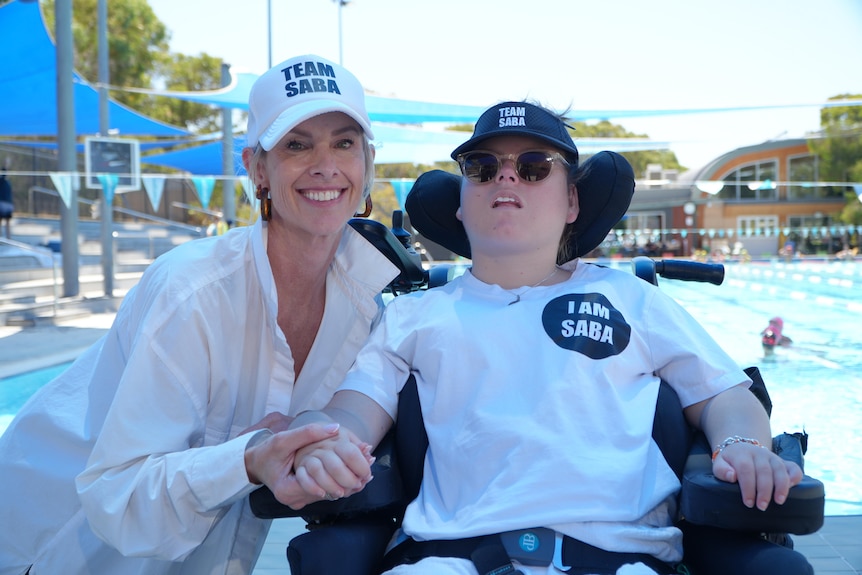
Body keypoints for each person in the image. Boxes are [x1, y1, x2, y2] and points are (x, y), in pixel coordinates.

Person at [284, 102, 807, 575]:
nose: (505, 175)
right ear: (462, 203)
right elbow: (354, 413)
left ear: (572, 201)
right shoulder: (414, 317)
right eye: (482, 168)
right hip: (448, 559)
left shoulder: (634, 301)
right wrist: (317, 438)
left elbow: (725, 394)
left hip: (618, 559)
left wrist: (743, 446)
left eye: (533, 167)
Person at [0, 54, 397, 575]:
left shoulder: (365, 303)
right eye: (297, 145)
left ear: (367, 162)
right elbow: (115, 493)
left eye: (344, 142)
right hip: (53, 547)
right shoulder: (192, 291)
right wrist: (250, 457)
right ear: (258, 169)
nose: (326, 164)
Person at [0, 166, 13, 239]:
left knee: (4, 221)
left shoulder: (4, 181)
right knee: (6, 222)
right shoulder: (7, 182)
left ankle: (7, 238)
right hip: (8, 204)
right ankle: (7, 238)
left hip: (3, 204)